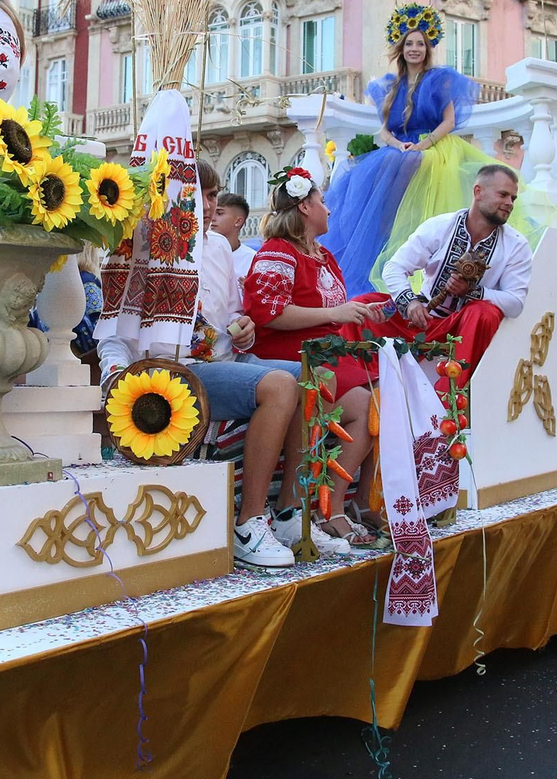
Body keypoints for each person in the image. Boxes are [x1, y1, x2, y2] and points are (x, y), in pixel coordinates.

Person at [104, 161, 343, 567]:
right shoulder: (137, 245)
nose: (211, 206)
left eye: (214, 196)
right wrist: (115, 376)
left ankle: (286, 512)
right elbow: (115, 327)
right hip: (168, 375)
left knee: (316, 377)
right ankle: (249, 521)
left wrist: (243, 328)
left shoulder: (217, 247)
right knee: (280, 385)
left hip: (221, 360)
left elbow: (233, 318)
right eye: (204, 194)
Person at [243, 169, 382, 546]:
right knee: (321, 380)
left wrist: (355, 312)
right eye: (323, 202)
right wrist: (334, 315)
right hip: (287, 357)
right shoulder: (277, 252)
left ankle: (331, 507)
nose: (329, 210)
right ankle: (289, 508)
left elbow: (333, 310)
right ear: (305, 206)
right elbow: (267, 313)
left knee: (369, 405)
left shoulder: (324, 256)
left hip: (325, 357)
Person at [318, 3, 484, 296]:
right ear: (401, 48)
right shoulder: (390, 87)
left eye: (420, 43)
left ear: (427, 48)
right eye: (409, 43)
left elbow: (449, 121)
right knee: (385, 162)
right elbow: (384, 129)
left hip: (435, 144)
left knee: (408, 161)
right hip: (401, 145)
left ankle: (391, 225)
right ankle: (383, 226)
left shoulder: (438, 80)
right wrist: (397, 143)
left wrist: (424, 143)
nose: (415, 49)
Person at [355, 165, 532, 389]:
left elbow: (515, 303)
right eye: (503, 194)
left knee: (483, 313)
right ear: (478, 192)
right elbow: (394, 268)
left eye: (513, 198)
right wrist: (410, 303)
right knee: (362, 306)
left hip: (463, 328)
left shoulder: (516, 246)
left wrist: (473, 292)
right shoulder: (440, 226)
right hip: (421, 318)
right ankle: (364, 387)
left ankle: (451, 398)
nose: (510, 203)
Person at [212, 192, 256, 285]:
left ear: (238, 221)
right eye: (212, 213)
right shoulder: (203, 254)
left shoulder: (253, 260)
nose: (213, 218)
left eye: (219, 213)